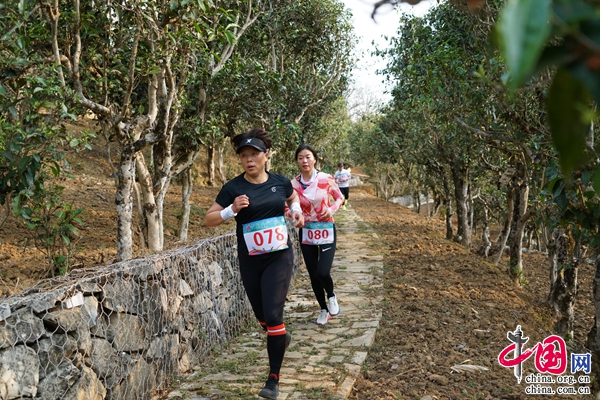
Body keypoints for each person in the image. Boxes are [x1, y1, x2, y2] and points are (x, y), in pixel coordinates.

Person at [205, 128, 304, 400]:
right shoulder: (233, 188)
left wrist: (296, 213)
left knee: (274, 315)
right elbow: (209, 219)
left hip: (279, 256)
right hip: (250, 259)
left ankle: (273, 379)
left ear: (266, 156)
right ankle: (278, 337)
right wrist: (231, 210)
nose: (249, 160)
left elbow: (292, 198)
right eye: (244, 156)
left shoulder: (281, 182)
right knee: (263, 318)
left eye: (254, 154)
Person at [289, 144, 344, 326]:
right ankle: (323, 309)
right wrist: (294, 215)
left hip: (326, 229)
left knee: (323, 272)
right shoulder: (293, 185)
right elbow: (286, 206)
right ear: (297, 161)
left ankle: (331, 295)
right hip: (306, 231)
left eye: (308, 157)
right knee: (313, 274)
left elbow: (340, 198)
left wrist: (331, 209)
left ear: (315, 159)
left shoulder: (326, 178)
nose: (305, 161)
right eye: (300, 158)